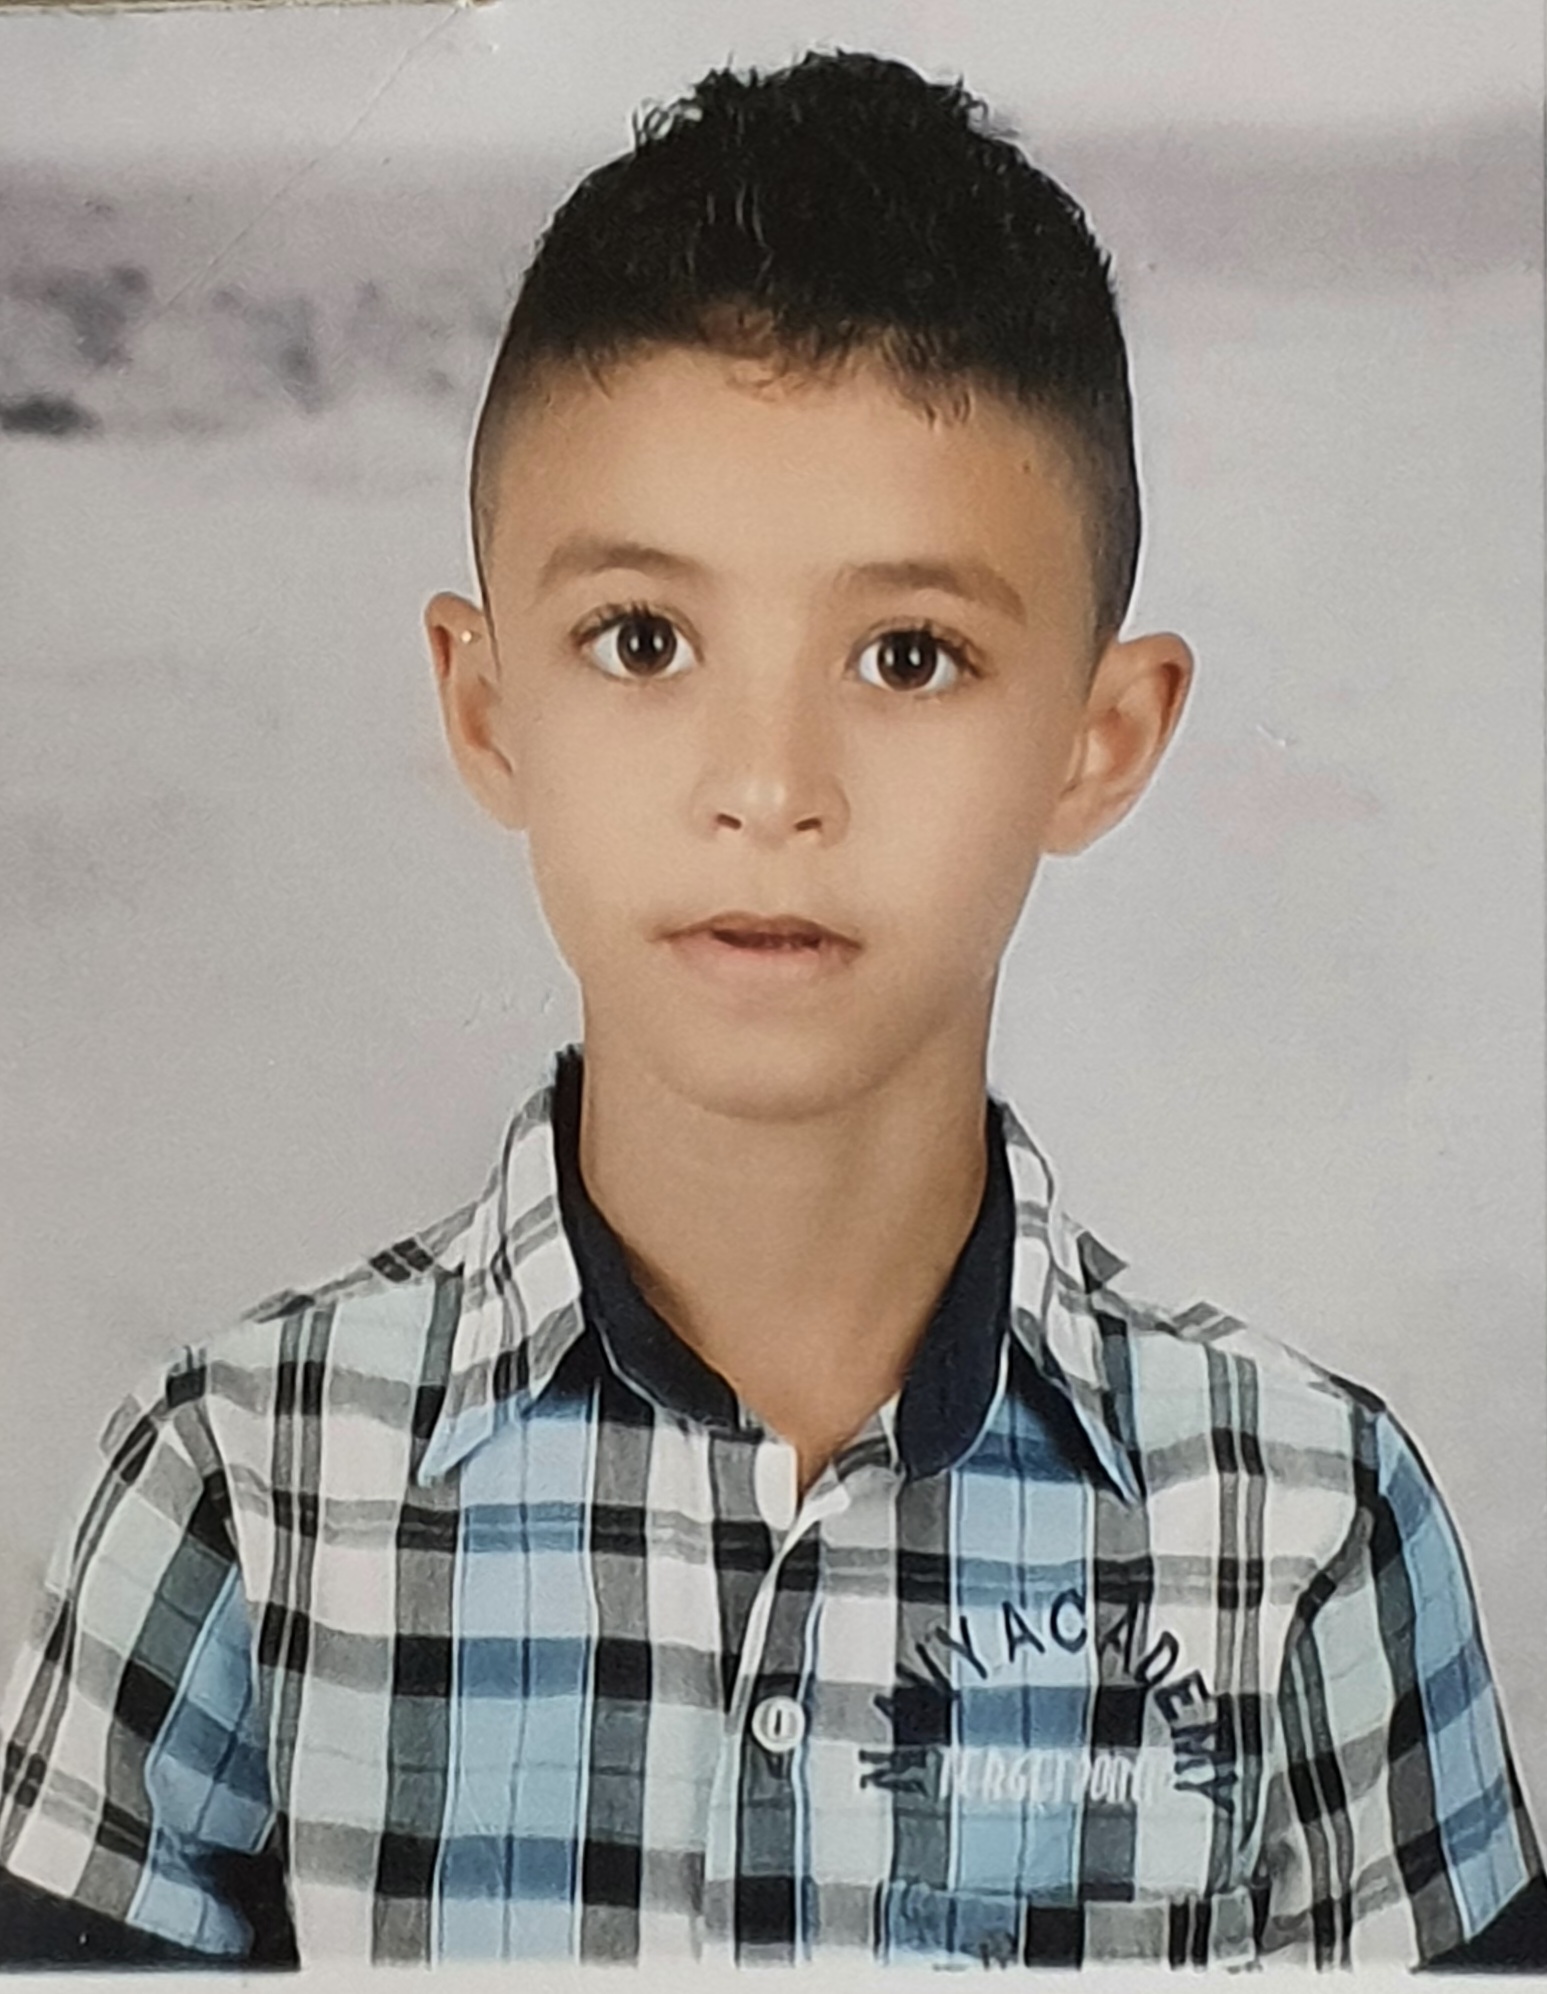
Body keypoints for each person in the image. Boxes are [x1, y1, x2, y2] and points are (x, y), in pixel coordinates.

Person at [0, 48, 1541, 1972]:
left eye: (909, 655)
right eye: (643, 639)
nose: (768, 785)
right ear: (486, 705)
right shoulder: (237, 1500)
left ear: (1103, 734)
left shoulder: (1308, 1531)